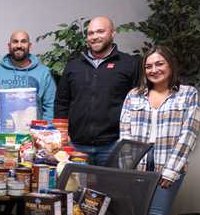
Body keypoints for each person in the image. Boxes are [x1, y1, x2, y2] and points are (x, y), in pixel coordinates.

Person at [119, 46, 200, 215]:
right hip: (138, 169)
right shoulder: (134, 95)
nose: (154, 70)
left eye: (159, 64)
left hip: (168, 168)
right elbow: (125, 134)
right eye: (149, 66)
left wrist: (171, 170)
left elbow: (189, 134)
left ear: (170, 65)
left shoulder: (187, 94)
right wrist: (127, 170)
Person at [55, 16, 139, 166]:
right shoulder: (73, 66)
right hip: (77, 146)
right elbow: (62, 102)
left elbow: (138, 104)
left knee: (110, 182)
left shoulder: (129, 64)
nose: (94, 37)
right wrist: (62, 135)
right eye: (90, 33)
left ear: (112, 33)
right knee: (74, 182)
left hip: (113, 145)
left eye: (100, 31)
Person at [0, 30, 56, 120]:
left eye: (23, 41)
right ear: (9, 46)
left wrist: (45, 127)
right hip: (1, 129)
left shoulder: (44, 72)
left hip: (35, 128)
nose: (19, 46)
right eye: (15, 41)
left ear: (30, 45)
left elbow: (50, 107)